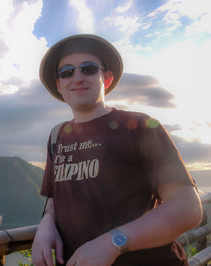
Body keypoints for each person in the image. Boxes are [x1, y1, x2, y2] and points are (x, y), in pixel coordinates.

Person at [32, 34, 203, 266]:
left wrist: (112, 243)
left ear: (107, 78)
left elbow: (187, 208)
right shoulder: (57, 135)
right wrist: (46, 226)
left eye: (89, 69)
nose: (78, 77)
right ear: (60, 85)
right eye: (67, 72)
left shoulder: (141, 126)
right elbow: (55, 197)